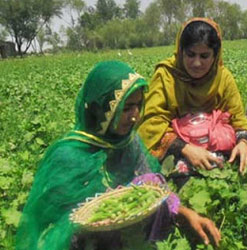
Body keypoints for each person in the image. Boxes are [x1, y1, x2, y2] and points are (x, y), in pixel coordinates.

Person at [16, 61, 221, 250]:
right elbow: (51, 224)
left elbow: (153, 190)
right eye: (126, 108)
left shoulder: (129, 142)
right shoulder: (69, 156)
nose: (135, 116)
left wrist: (187, 215)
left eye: (138, 105)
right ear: (100, 109)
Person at [138, 18, 247, 176]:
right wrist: (186, 148)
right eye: (190, 55)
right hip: (177, 150)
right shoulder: (166, 76)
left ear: (215, 56)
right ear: (181, 51)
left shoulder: (223, 78)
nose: (197, 63)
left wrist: (243, 142)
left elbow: (238, 118)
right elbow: (151, 124)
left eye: (204, 56)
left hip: (217, 149)